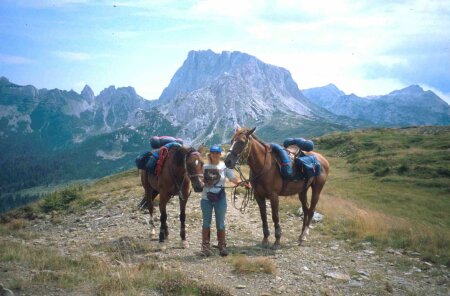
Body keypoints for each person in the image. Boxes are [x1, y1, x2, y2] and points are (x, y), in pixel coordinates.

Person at [200, 144, 251, 257]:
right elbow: (199, 180)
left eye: (217, 153)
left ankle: (222, 246)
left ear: (220, 154)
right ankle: (205, 247)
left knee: (221, 224)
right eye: (213, 153)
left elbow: (233, 178)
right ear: (210, 154)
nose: (215, 155)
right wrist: (201, 183)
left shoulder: (224, 166)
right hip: (206, 199)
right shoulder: (204, 166)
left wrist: (242, 183)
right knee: (206, 223)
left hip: (220, 199)